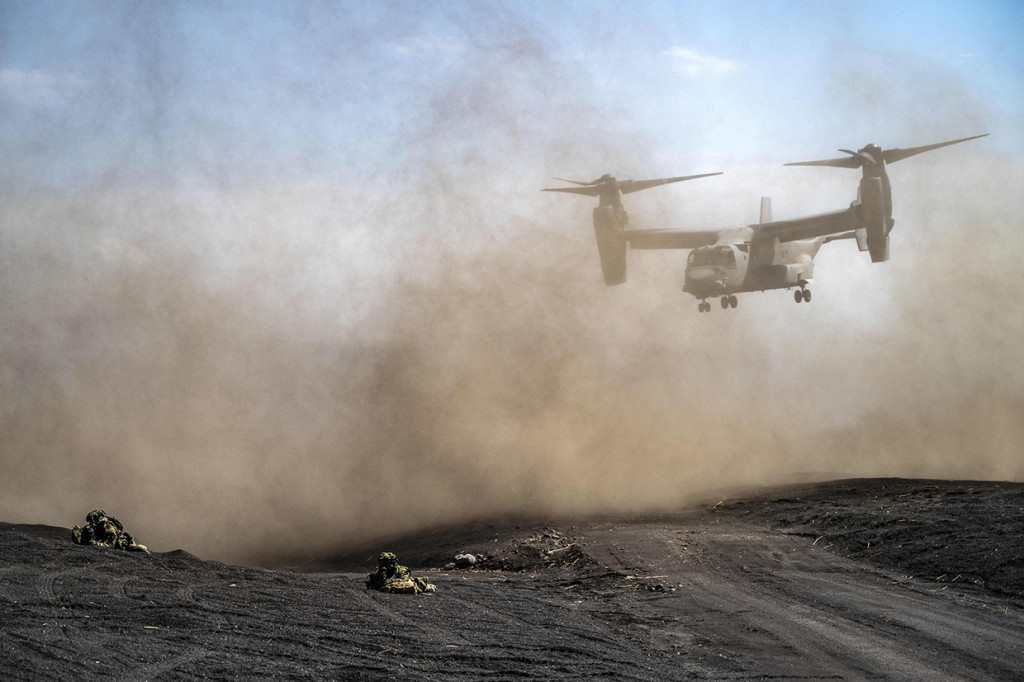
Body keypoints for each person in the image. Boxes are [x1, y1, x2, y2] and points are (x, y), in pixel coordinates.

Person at [71, 509, 149, 552]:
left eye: (94, 524)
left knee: (137, 548)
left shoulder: (111, 531)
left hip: (117, 544)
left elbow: (109, 546)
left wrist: (95, 544)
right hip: (99, 539)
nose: (91, 525)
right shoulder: (91, 528)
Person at [365, 551, 435, 594]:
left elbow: (404, 579)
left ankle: (429, 586)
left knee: (416, 584)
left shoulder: (401, 569)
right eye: (382, 563)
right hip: (391, 584)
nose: (384, 566)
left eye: (386, 563)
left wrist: (389, 581)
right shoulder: (381, 571)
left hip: (403, 583)